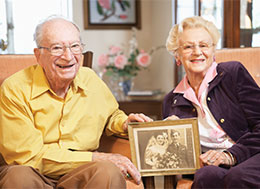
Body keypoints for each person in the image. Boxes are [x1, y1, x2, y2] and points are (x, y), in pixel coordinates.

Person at [0, 16, 153, 188]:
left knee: (107, 172)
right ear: (38, 55)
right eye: (57, 48)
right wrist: (95, 157)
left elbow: (110, 115)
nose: (68, 56)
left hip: (81, 172)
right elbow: (27, 157)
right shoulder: (14, 88)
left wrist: (123, 123)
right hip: (34, 173)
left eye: (74, 46)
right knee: (18, 176)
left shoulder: (90, 79)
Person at [163, 16, 260, 188]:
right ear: (177, 56)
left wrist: (230, 155)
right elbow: (178, 162)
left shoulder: (232, 74)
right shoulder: (172, 101)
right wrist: (170, 137)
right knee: (206, 176)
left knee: (237, 176)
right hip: (214, 165)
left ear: (213, 51)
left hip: (252, 155)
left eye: (203, 45)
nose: (197, 52)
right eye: (188, 47)